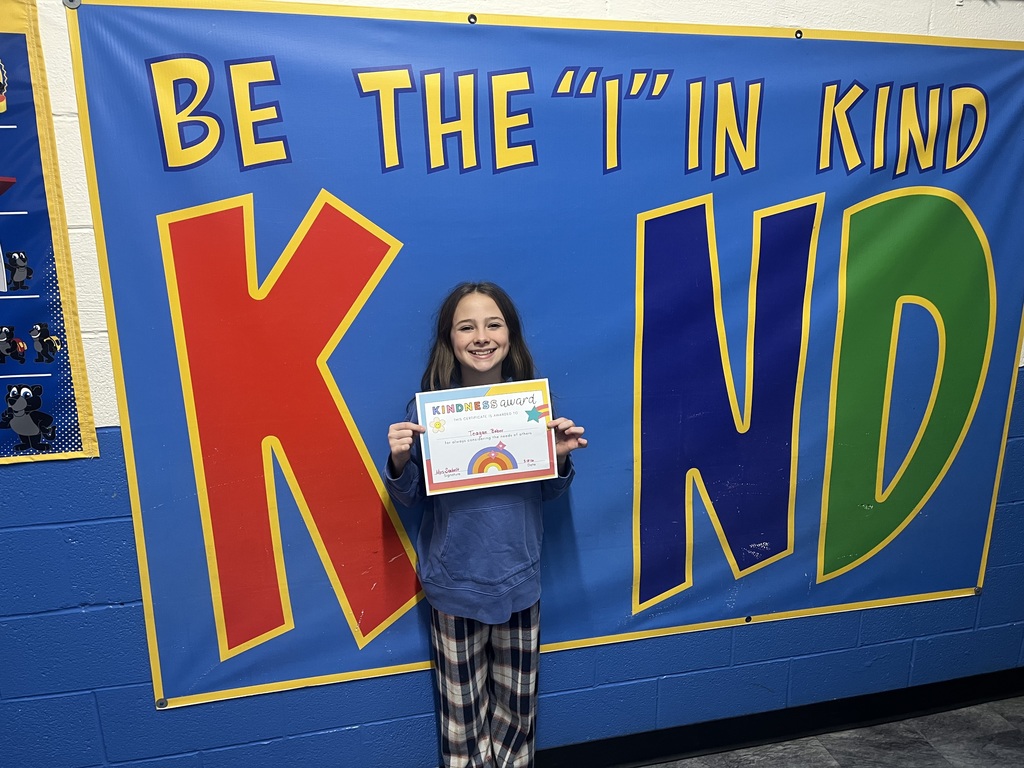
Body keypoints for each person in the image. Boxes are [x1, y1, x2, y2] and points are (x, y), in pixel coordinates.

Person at [384, 281, 587, 768]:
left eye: (493, 324)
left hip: (519, 580)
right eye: (466, 327)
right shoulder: (427, 414)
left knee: (517, 717)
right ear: (449, 339)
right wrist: (400, 460)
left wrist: (559, 459)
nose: (481, 336)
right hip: (453, 584)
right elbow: (409, 497)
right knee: (462, 725)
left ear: (510, 335)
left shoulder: (533, 410)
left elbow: (549, 492)